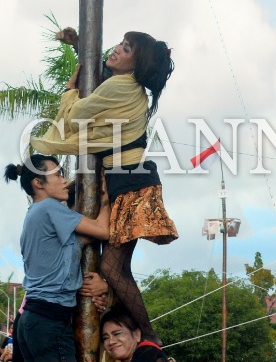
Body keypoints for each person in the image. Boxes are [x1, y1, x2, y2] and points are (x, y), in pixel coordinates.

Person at [33, 31, 177, 341]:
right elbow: (96, 80)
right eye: (121, 44)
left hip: (129, 181)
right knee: (114, 271)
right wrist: (81, 48)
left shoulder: (119, 87)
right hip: (129, 179)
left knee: (113, 271)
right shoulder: (128, 88)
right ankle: (141, 335)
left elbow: (75, 117)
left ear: (135, 66)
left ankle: (149, 337)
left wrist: (71, 90)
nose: (116, 50)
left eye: (126, 50)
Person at [3, 154, 110, 362]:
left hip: (32, 319)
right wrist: (105, 195)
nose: (65, 180)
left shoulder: (37, 215)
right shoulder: (50, 209)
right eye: (58, 174)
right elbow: (103, 229)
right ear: (39, 183)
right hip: (50, 320)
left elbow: (85, 236)